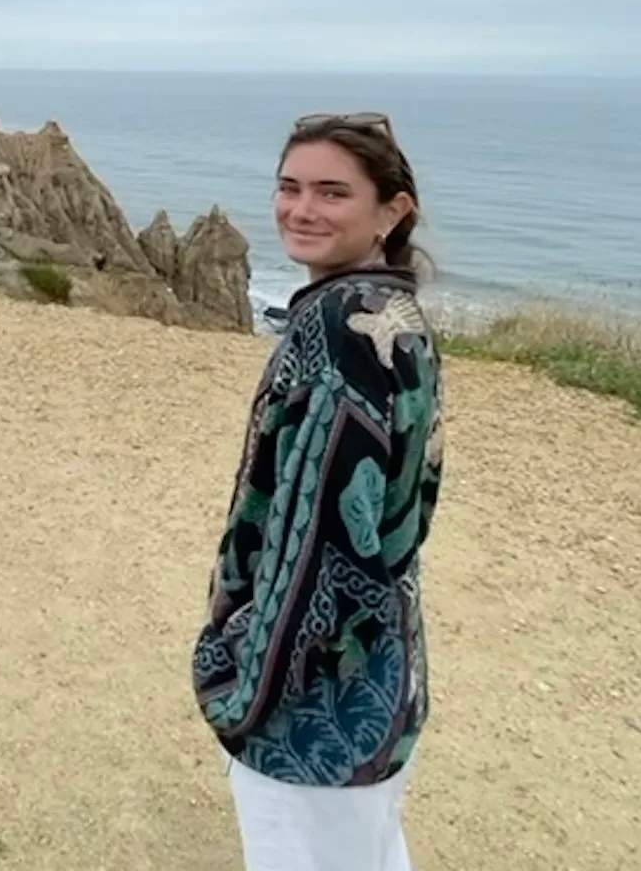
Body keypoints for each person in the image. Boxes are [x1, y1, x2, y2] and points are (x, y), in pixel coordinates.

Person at [193, 112, 445, 871]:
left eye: (333, 193)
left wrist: (242, 685)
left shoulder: (336, 331)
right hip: (383, 670)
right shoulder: (393, 314)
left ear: (391, 211)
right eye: (289, 187)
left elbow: (320, 547)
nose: (301, 209)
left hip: (312, 708)